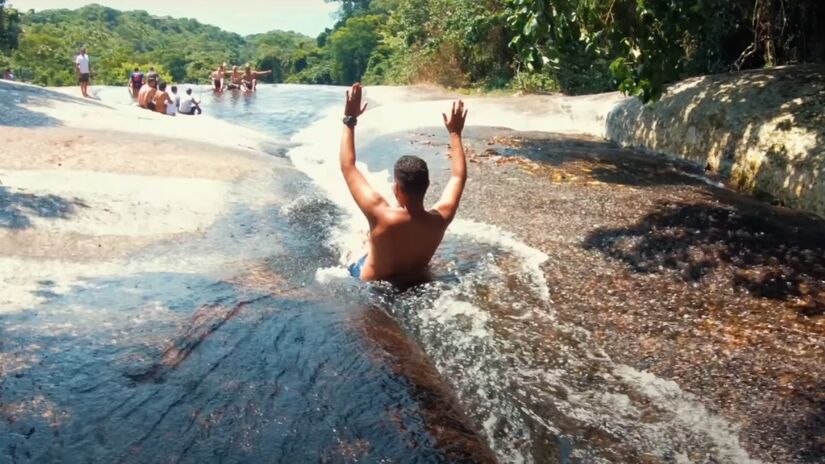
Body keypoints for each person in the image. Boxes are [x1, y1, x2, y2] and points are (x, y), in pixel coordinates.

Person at [340, 83, 468, 285]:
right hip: (415, 283)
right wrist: (455, 133)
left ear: (397, 189)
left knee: (359, 239)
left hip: (373, 288)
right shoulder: (439, 219)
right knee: (368, 236)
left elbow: (348, 166)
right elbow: (458, 177)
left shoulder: (380, 214)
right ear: (427, 186)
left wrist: (350, 119)